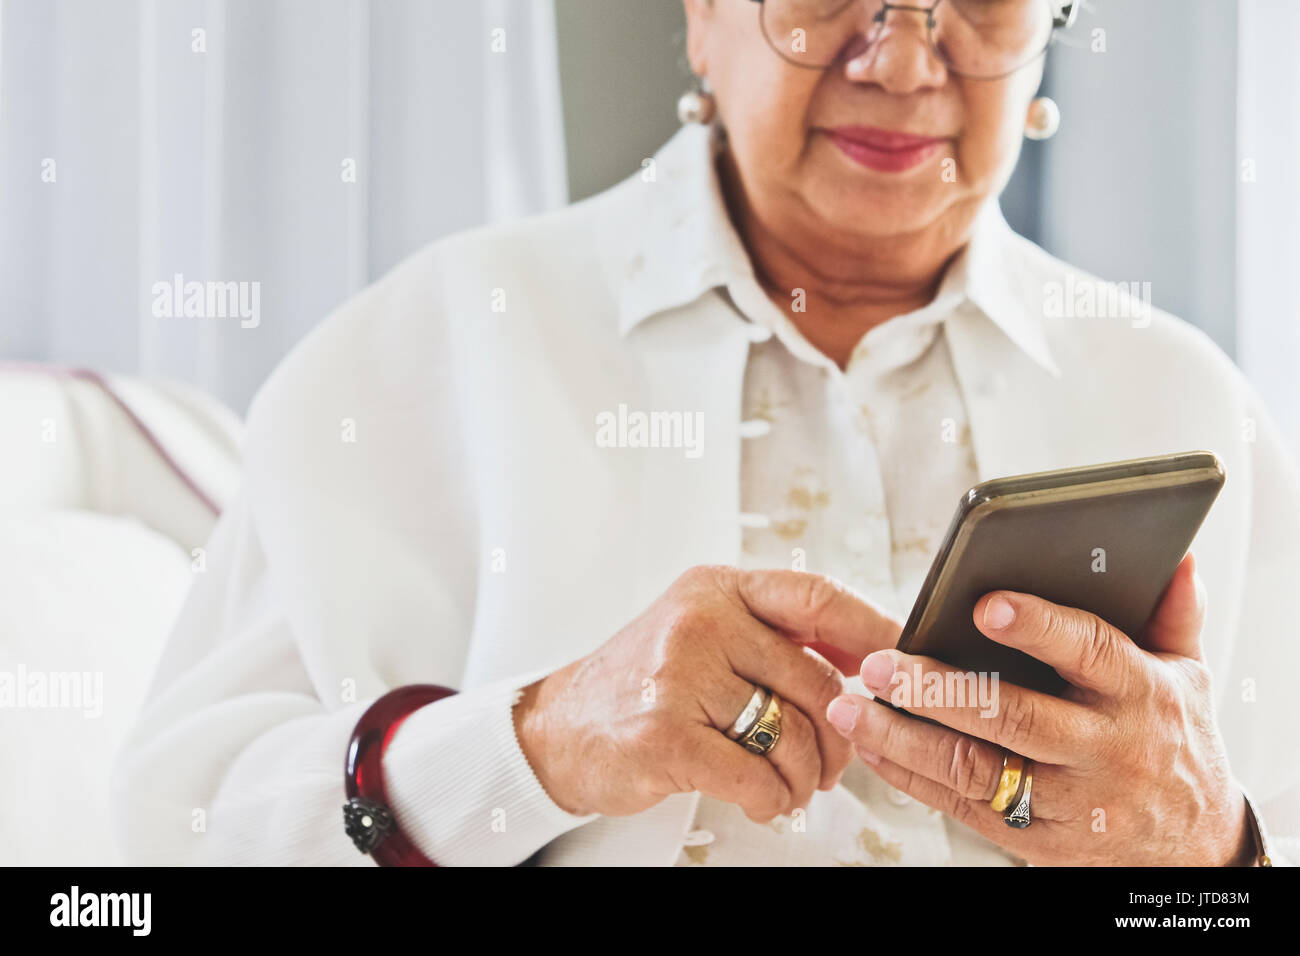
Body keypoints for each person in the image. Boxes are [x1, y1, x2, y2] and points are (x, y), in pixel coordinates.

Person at [113, 0, 1297, 866]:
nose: (900, 61)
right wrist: (539, 741)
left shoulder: (1184, 403)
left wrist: (1209, 843)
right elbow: (169, 837)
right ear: (700, 18)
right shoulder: (431, 346)